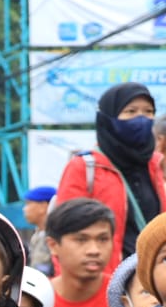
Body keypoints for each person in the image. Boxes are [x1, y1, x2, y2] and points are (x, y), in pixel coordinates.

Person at [53, 82, 163, 268]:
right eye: (131, 111)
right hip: (105, 281)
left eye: (148, 111)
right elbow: (64, 231)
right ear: (108, 118)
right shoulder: (83, 168)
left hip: (155, 281)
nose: (142, 118)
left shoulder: (157, 165)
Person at [23, 184, 55, 273]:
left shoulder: (56, 236)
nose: (25, 209)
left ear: (43, 206)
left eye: (28, 204)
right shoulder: (37, 235)